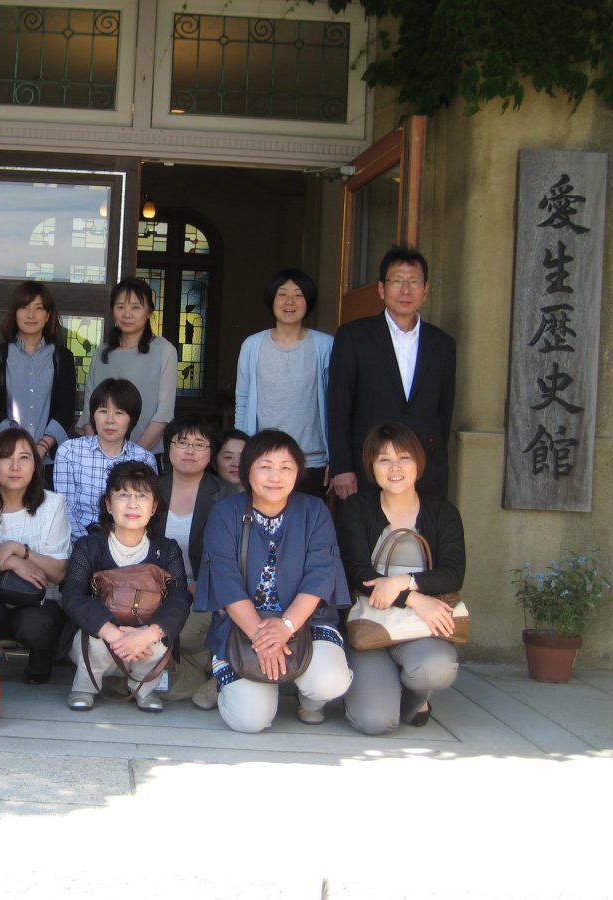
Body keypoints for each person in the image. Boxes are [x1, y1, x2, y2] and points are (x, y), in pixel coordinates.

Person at [196, 429, 353, 732]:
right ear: (247, 470)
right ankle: (231, 683)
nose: (275, 476)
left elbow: (320, 575)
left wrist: (286, 626)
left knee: (328, 682)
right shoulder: (225, 513)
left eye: (286, 467)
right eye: (265, 466)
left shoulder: (314, 511)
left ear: (298, 473)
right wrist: (262, 636)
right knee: (250, 720)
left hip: (304, 620)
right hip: (245, 626)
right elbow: (225, 580)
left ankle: (309, 699)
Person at [338, 423, 465, 734]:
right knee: (375, 722)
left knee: (436, 668)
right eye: (384, 459)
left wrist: (403, 581)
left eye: (403, 458)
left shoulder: (442, 513)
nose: (394, 468)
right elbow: (357, 571)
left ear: (418, 464)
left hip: (419, 627)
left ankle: (413, 698)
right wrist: (413, 596)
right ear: (371, 466)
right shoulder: (357, 508)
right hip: (369, 626)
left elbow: (453, 573)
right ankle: (378, 687)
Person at [328, 245, 456, 502]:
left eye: (414, 282)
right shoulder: (353, 336)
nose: (406, 290)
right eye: (397, 281)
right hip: (368, 468)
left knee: (421, 542)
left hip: (425, 471)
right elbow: (338, 406)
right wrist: (342, 467)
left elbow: (444, 413)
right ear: (381, 289)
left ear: (426, 290)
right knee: (369, 542)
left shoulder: (442, 343)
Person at [60, 461, 189, 712]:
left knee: (160, 640)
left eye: (141, 496)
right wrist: (112, 633)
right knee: (95, 642)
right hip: (100, 637)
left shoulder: (168, 549)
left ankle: (143, 688)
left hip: (145, 638)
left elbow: (179, 599)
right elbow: (73, 595)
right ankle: (85, 687)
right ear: (109, 504)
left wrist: (148, 633)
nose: (132, 504)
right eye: (123, 495)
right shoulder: (89, 546)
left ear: (153, 507)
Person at [0, 429, 71, 683]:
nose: (15, 466)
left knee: (36, 626)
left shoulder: (52, 505)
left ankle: (41, 658)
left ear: (35, 466)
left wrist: (19, 549)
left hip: (38, 603)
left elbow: (59, 573)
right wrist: (12, 561)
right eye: (6, 457)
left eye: (24, 458)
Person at [152, 415, 236, 703]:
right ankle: (192, 668)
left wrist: (203, 585)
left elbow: (234, 558)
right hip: (158, 590)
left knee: (183, 634)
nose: (190, 451)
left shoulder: (227, 495)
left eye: (200, 444)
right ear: (168, 448)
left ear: (211, 453)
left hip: (207, 592)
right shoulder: (152, 490)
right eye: (182, 442)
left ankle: (215, 666)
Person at [235, 268, 334, 496]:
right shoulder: (252, 345)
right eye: (282, 294)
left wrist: (335, 457)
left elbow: (336, 406)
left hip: (312, 462)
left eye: (298, 295)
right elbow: (242, 400)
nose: (290, 301)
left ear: (308, 301)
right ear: (272, 300)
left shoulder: (325, 346)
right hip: (264, 460)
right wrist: (243, 451)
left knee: (306, 527)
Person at [77, 277, 178, 455]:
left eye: (136, 307)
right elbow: (88, 414)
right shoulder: (102, 352)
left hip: (146, 457)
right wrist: (102, 456)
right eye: (120, 307)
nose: (127, 314)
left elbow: (164, 413)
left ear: (148, 312)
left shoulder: (164, 351)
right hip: (100, 460)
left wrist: (131, 455)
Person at [0, 280, 77, 469]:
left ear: (47, 315)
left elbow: (66, 409)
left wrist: (42, 446)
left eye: (39, 308)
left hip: (49, 461)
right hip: (5, 457)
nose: (31, 315)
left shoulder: (63, 357)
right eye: (24, 307)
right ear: (14, 313)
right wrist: (15, 446)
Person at [54, 377, 157, 539]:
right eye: (103, 411)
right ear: (93, 415)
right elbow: (65, 509)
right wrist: (89, 546)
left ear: (132, 419)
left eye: (119, 413)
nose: (110, 420)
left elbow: (144, 512)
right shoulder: (69, 452)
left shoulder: (144, 459)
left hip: (127, 544)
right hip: (78, 543)